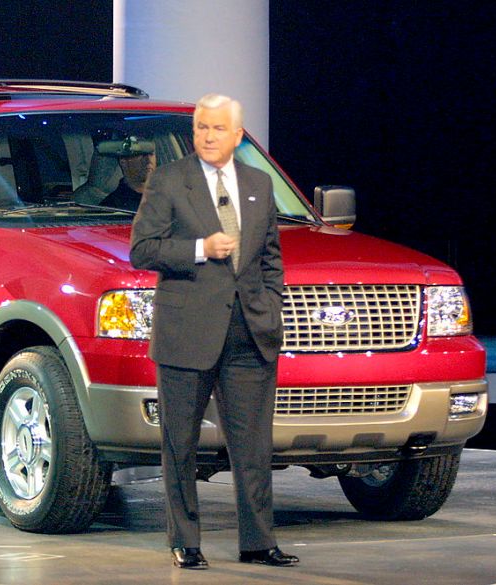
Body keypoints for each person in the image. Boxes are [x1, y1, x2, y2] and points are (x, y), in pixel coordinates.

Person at [129, 94, 297, 569]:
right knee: (180, 443)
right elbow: (142, 250)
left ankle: (259, 541)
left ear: (238, 136)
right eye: (201, 127)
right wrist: (200, 247)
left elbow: (269, 258)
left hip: (251, 332)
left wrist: (271, 307)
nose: (206, 135)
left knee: (253, 444)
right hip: (188, 333)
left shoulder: (259, 184)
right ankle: (186, 540)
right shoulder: (168, 181)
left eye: (217, 129)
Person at [98, 136, 156, 210]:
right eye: (141, 154)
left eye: (151, 154)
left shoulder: (167, 197)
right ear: (123, 161)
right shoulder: (110, 209)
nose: (148, 159)